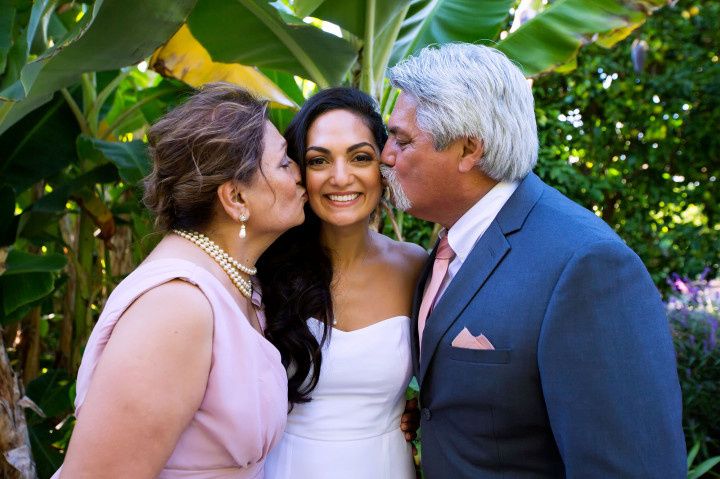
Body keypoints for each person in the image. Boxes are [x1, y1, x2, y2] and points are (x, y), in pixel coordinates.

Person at [380, 43, 687, 478]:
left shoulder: (587, 265)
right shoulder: (447, 250)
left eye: (402, 140)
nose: (385, 155)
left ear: (469, 150)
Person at [53, 83, 307, 478]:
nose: (300, 173)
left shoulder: (235, 279)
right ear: (236, 199)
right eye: (284, 163)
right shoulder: (177, 307)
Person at [258, 87, 426, 479]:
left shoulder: (416, 265)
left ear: (383, 166)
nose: (340, 177)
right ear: (299, 171)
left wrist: (420, 408)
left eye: (360, 157)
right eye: (319, 161)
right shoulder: (265, 269)